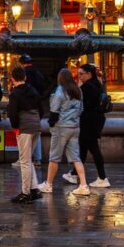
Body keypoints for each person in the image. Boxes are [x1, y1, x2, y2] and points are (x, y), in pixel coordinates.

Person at [39, 67, 90, 195]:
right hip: (74, 127)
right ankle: (84, 185)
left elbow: (54, 112)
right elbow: (81, 109)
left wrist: (51, 124)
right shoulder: (78, 90)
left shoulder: (60, 91)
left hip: (61, 128)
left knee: (54, 158)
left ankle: (48, 184)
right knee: (76, 158)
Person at [63, 62, 109, 188]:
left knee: (94, 149)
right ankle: (74, 174)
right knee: (83, 148)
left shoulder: (87, 87)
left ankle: (102, 177)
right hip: (95, 120)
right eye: (78, 75)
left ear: (89, 74)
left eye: (81, 74)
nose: (79, 77)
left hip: (89, 121)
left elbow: (82, 105)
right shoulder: (96, 84)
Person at [6, 65, 43, 204]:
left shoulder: (15, 93)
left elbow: (12, 113)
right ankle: (34, 189)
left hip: (24, 127)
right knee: (29, 158)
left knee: (24, 161)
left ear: (12, 79)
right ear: (25, 77)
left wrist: (15, 126)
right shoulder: (32, 90)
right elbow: (41, 108)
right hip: (36, 126)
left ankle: (25, 193)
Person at [19, 54, 45, 165]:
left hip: (26, 108)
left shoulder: (24, 74)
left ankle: (25, 158)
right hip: (37, 106)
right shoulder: (37, 72)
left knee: (25, 135)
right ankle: (37, 158)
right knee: (36, 134)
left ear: (22, 63)